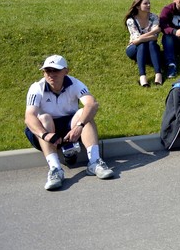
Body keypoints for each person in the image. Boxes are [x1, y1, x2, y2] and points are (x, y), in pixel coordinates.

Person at [24, 55, 114, 190]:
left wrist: (80, 126)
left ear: (66, 71)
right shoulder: (37, 87)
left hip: (70, 128)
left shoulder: (75, 83)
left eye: (56, 70)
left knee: (84, 113)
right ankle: (55, 169)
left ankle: (94, 162)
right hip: (45, 132)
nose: (51, 74)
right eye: (48, 71)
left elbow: (92, 104)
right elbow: (29, 117)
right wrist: (45, 135)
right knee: (44, 118)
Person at [124, 0, 164, 87]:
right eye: (145, 4)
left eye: (149, 3)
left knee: (151, 43)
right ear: (138, 6)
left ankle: (158, 74)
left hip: (151, 48)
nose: (149, 5)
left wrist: (141, 38)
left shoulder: (154, 17)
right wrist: (153, 31)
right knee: (142, 45)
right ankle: (142, 77)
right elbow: (136, 41)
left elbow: (154, 38)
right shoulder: (131, 20)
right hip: (133, 49)